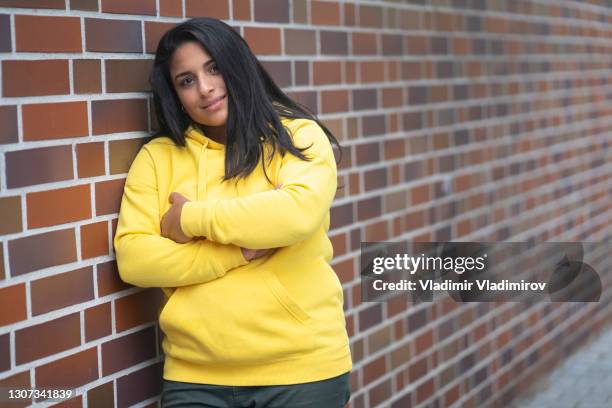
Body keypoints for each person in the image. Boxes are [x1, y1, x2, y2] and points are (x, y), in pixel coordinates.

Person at [113, 17, 352, 407]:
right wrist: (236, 251)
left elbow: (295, 215)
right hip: (195, 377)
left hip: (302, 370)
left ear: (237, 66)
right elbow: (135, 260)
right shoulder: (157, 158)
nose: (205, 88)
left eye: (214, 68)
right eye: (186, 80)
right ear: (174, 93)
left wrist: (187, 220)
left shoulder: (296, 137)